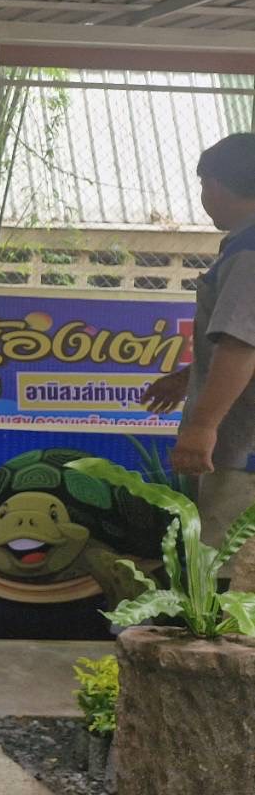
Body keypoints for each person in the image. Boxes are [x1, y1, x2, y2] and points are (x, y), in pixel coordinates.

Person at [143, 133, 255, 588]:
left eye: (203, 185)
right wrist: (189, 378)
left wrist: (203, 426)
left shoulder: (249, 254)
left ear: (214, 185)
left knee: (225, 571)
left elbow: (242, 345)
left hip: (242, 448)